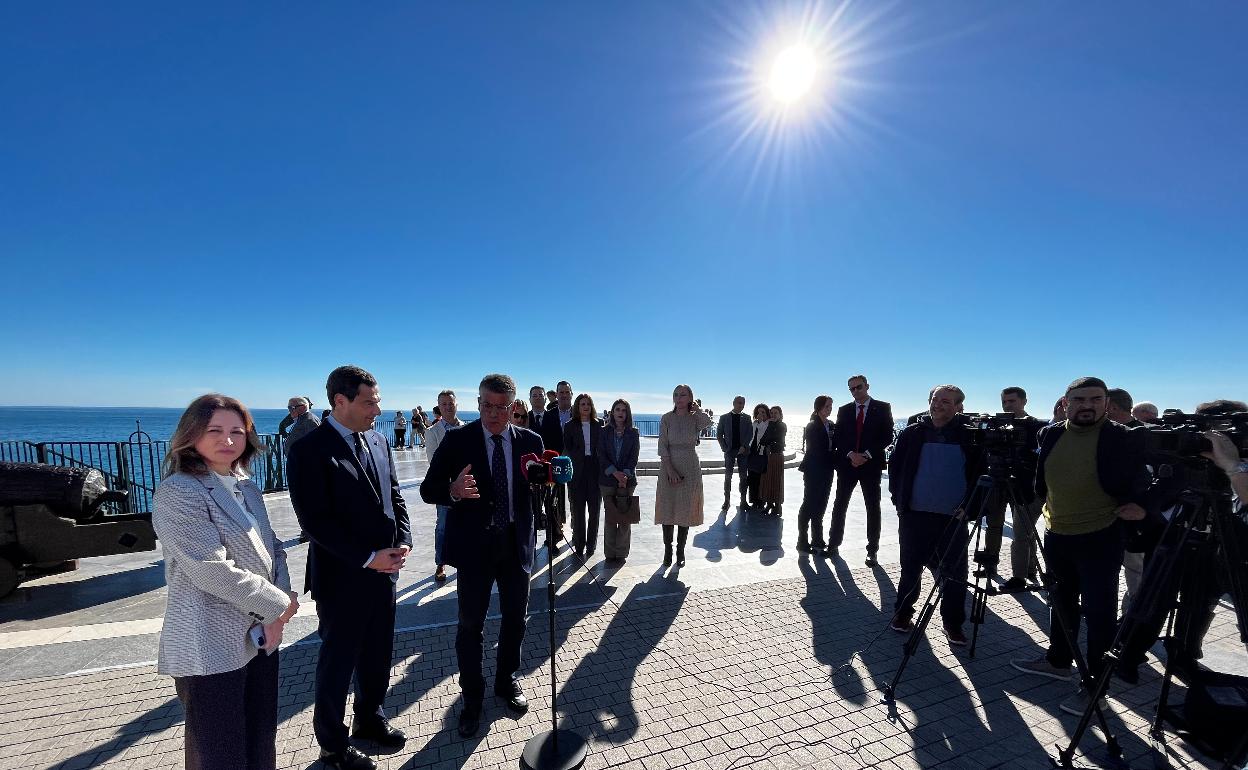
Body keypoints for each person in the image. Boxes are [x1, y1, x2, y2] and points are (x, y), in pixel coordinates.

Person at [153, 394, 299, 770]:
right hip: (209, 643)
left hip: (260, 636)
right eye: (215, 430)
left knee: (261, 734)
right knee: (219, 751)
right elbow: (209, 568)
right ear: (192, 434)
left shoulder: (245, 485)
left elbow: (273, 548)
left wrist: (278, 603)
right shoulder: (180, 490)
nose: (228, 440)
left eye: (237, 431)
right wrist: (278, 607)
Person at [1011, 376, 1167, 717]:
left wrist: (1147, 505)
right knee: (1061, 603)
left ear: (1106, 403)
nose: (1087, 405)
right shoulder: (1050, 433)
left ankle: (1096, 684)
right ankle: (1058, 661)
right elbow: (1044, 478)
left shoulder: (1126, 437)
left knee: (1099, 615)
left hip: (1102, 537)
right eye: (1079, 399)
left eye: (1095, 399)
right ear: (1066, 403)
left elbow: (1181, 470)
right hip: (1057, 534)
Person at [286, 366, 411, 770]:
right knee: (338, 663)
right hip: (342, 579)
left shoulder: (376, 440)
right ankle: (332, 746)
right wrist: (367, 557)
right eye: (370, 401)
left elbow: (394, 497)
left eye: (377, 399)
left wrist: (403, 540)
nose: (378, 408)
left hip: (384, 574)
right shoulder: (309, 449)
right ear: (340, 402)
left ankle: (369, 719)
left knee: (378, 654)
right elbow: (315, 522)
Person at [418, 373, 544, 739]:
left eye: (501, 407)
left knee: (516, 620)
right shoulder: (458, 440)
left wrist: (547, 484)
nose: (492, 413)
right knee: (470, 625)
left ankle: (506, 682)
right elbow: (428, 489)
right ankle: (472, 696)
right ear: (478, 403)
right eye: (486, 405)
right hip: (474, 550)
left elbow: (534, 490)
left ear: (513, 407)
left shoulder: (531, 442)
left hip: (515, 544)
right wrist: (453, 491)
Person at [887, 386, 981, 646]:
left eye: (946, 401)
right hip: (914, 516)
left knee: (955, 574)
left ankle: (953, 624)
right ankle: (903, 613)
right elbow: (895, 468)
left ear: (958, 406)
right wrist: (900, 502)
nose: (938, 405)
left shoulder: (970, 436)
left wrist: (971, 509)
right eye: (935, 400)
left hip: (954, 518)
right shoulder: (911, 433)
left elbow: (980, 475)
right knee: (910, 569)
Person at [981, 387, 1047, 591]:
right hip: (999, 480)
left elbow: (1039, 457)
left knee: (1023, 530)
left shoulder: (1035, 426)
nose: (1008, 405)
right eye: (1005, 402)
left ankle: (1026, 572)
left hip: (1024, 485)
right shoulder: (997, 426)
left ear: (1024, 401)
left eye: (1012, 401)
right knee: (994, 525)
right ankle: (990, 564)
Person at [828, 375, 895, 565]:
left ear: (867, 386)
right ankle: (833, 544)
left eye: (859, 387)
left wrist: (865, 454)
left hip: (871, 465)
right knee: (840, 505)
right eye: (852, 389)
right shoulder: (844, 410)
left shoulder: (882, 408)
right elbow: (839, 437)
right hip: (848, 465)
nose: (856, 391)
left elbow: (887, 436)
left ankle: (872, 550)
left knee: (873, 508)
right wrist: (850, 454)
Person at [656, 385, 713, 567]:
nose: (679, 398)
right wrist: (670, 469)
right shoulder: (666, 418)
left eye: (683, 395)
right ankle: (668, 550)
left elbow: (708, 423)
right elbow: (662, 445)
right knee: (668, 508)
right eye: (676, 394)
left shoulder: (694, 418)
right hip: (668, 465)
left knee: (684, 509)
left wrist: (698, 409)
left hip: (690, 466)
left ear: (690, 398)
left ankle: (680, 551)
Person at [423, 389, 464, 583]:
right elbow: (433, 462)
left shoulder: (466, 428)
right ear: (439, 407)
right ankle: (440, 562)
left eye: (451, 403)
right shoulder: (432, 432)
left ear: (457, 405)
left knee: (465, 523)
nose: (448, 407)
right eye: (444, 404)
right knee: (443, 525)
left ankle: (464, 558)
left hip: (466, 485)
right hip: (445, 487)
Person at [563, 393, 604, 561]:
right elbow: (567, 448)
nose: (585, 407)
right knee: (578, 511)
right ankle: (579, 545)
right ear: (577, 407)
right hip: (577, 471)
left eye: (588, 404)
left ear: (591, 406)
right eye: (582, 404)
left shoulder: (599, 424)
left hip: (595, 471)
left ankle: (591, 545)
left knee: (594, 510)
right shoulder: (569, 425)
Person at [598, 398, 640, 561]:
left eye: (623, 410)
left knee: (624, 518)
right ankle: (609, 553)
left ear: (627, 413)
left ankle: (621, 553)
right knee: (610, 518)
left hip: (627, 481)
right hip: (608, 480)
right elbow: (601, 455)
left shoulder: (633, 433)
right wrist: (615, 473)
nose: (620, 413)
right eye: (617, 410)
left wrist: (625, 476)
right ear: (612, 412)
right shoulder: (603, 431)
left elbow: (633, 457)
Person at [797, 395, 835, 554]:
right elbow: (816, 450)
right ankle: (802, 540)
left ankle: (817, 539)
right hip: (814, 470)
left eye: (831, 406)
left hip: (827, 470)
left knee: (821, 505)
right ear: (818, 407)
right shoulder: (812, 425)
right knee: (809, 505)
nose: (829, 409)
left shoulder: (831, 425)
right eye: (827, 406)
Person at [717, 396, 752, 510]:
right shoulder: (724, 418)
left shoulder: (747, 418)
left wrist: (744, 446)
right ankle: (726, 501)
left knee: (743, 477)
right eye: (739, 403)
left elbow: (749, 434)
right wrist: (724, 448)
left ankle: (743, 501)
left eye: (743, 403)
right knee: (728, 477)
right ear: (733, 403)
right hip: (729, 451)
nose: (741, 405)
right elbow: (719, 434)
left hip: (743, 452)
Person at [758, 405, 788, 515]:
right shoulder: (770, 425)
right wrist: (769, 426)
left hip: (777, 455)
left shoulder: (782, 425)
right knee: (767, 480)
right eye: (772, 413)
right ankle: (769, 504)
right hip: (768, 456)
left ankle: (777, 505)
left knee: (776, 480)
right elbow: (763, 440)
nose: (773, 415)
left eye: (776, 413)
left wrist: (770, 441)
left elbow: (778, 438)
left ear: (780, 415)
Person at [745, 404, 772, 510]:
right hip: (752, 452)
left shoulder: (768, 424)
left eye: (763, 412)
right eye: (758, 412)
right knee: (751, 477)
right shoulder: (754, 423)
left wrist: (761, 421)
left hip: (761, 454)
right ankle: (753, 500)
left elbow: (763, 432)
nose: (760, 414)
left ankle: (761, 500)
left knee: (760, 478)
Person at [540, 380, 574, 454]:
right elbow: (545, 440)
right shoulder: (548, 415)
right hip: (555, 459)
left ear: (571, 394)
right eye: (561, 392)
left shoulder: (579, 414)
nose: (564, 395)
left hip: (577, 459)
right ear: (557, 395)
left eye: (567, 392)